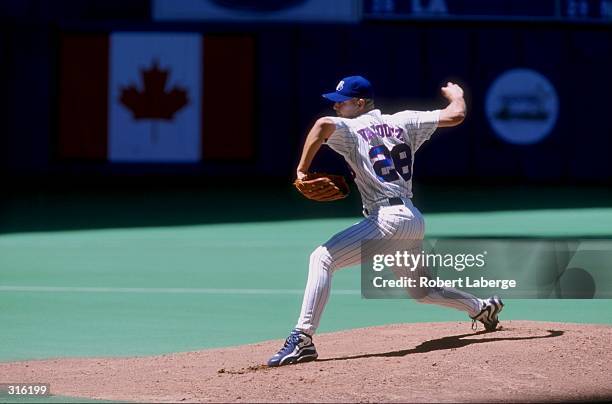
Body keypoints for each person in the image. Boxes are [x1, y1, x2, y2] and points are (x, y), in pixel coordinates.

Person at [267, 75, 503, 367]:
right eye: (336, 102)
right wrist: (457, 94)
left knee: (322, 258)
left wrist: (302, 171)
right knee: (423, 291)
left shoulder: (351, 127)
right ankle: (481, 307)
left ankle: (302, 338)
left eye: (342, 102)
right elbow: (456, 115)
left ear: (361, 103)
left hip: (387, 220)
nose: (338, 106)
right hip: (411, 219)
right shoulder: (404, 120)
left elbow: (320, 126)